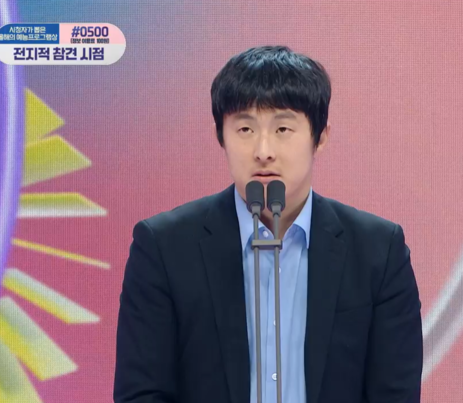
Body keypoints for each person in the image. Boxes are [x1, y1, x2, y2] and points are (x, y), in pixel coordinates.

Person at [114, 45, 423, 403]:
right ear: (220, 136)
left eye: (283, 129)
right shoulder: (164, 247)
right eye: (245, 128)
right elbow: (142, 393)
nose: (263, 151)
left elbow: (395, 395)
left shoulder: (378, 252)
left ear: (320, 136)